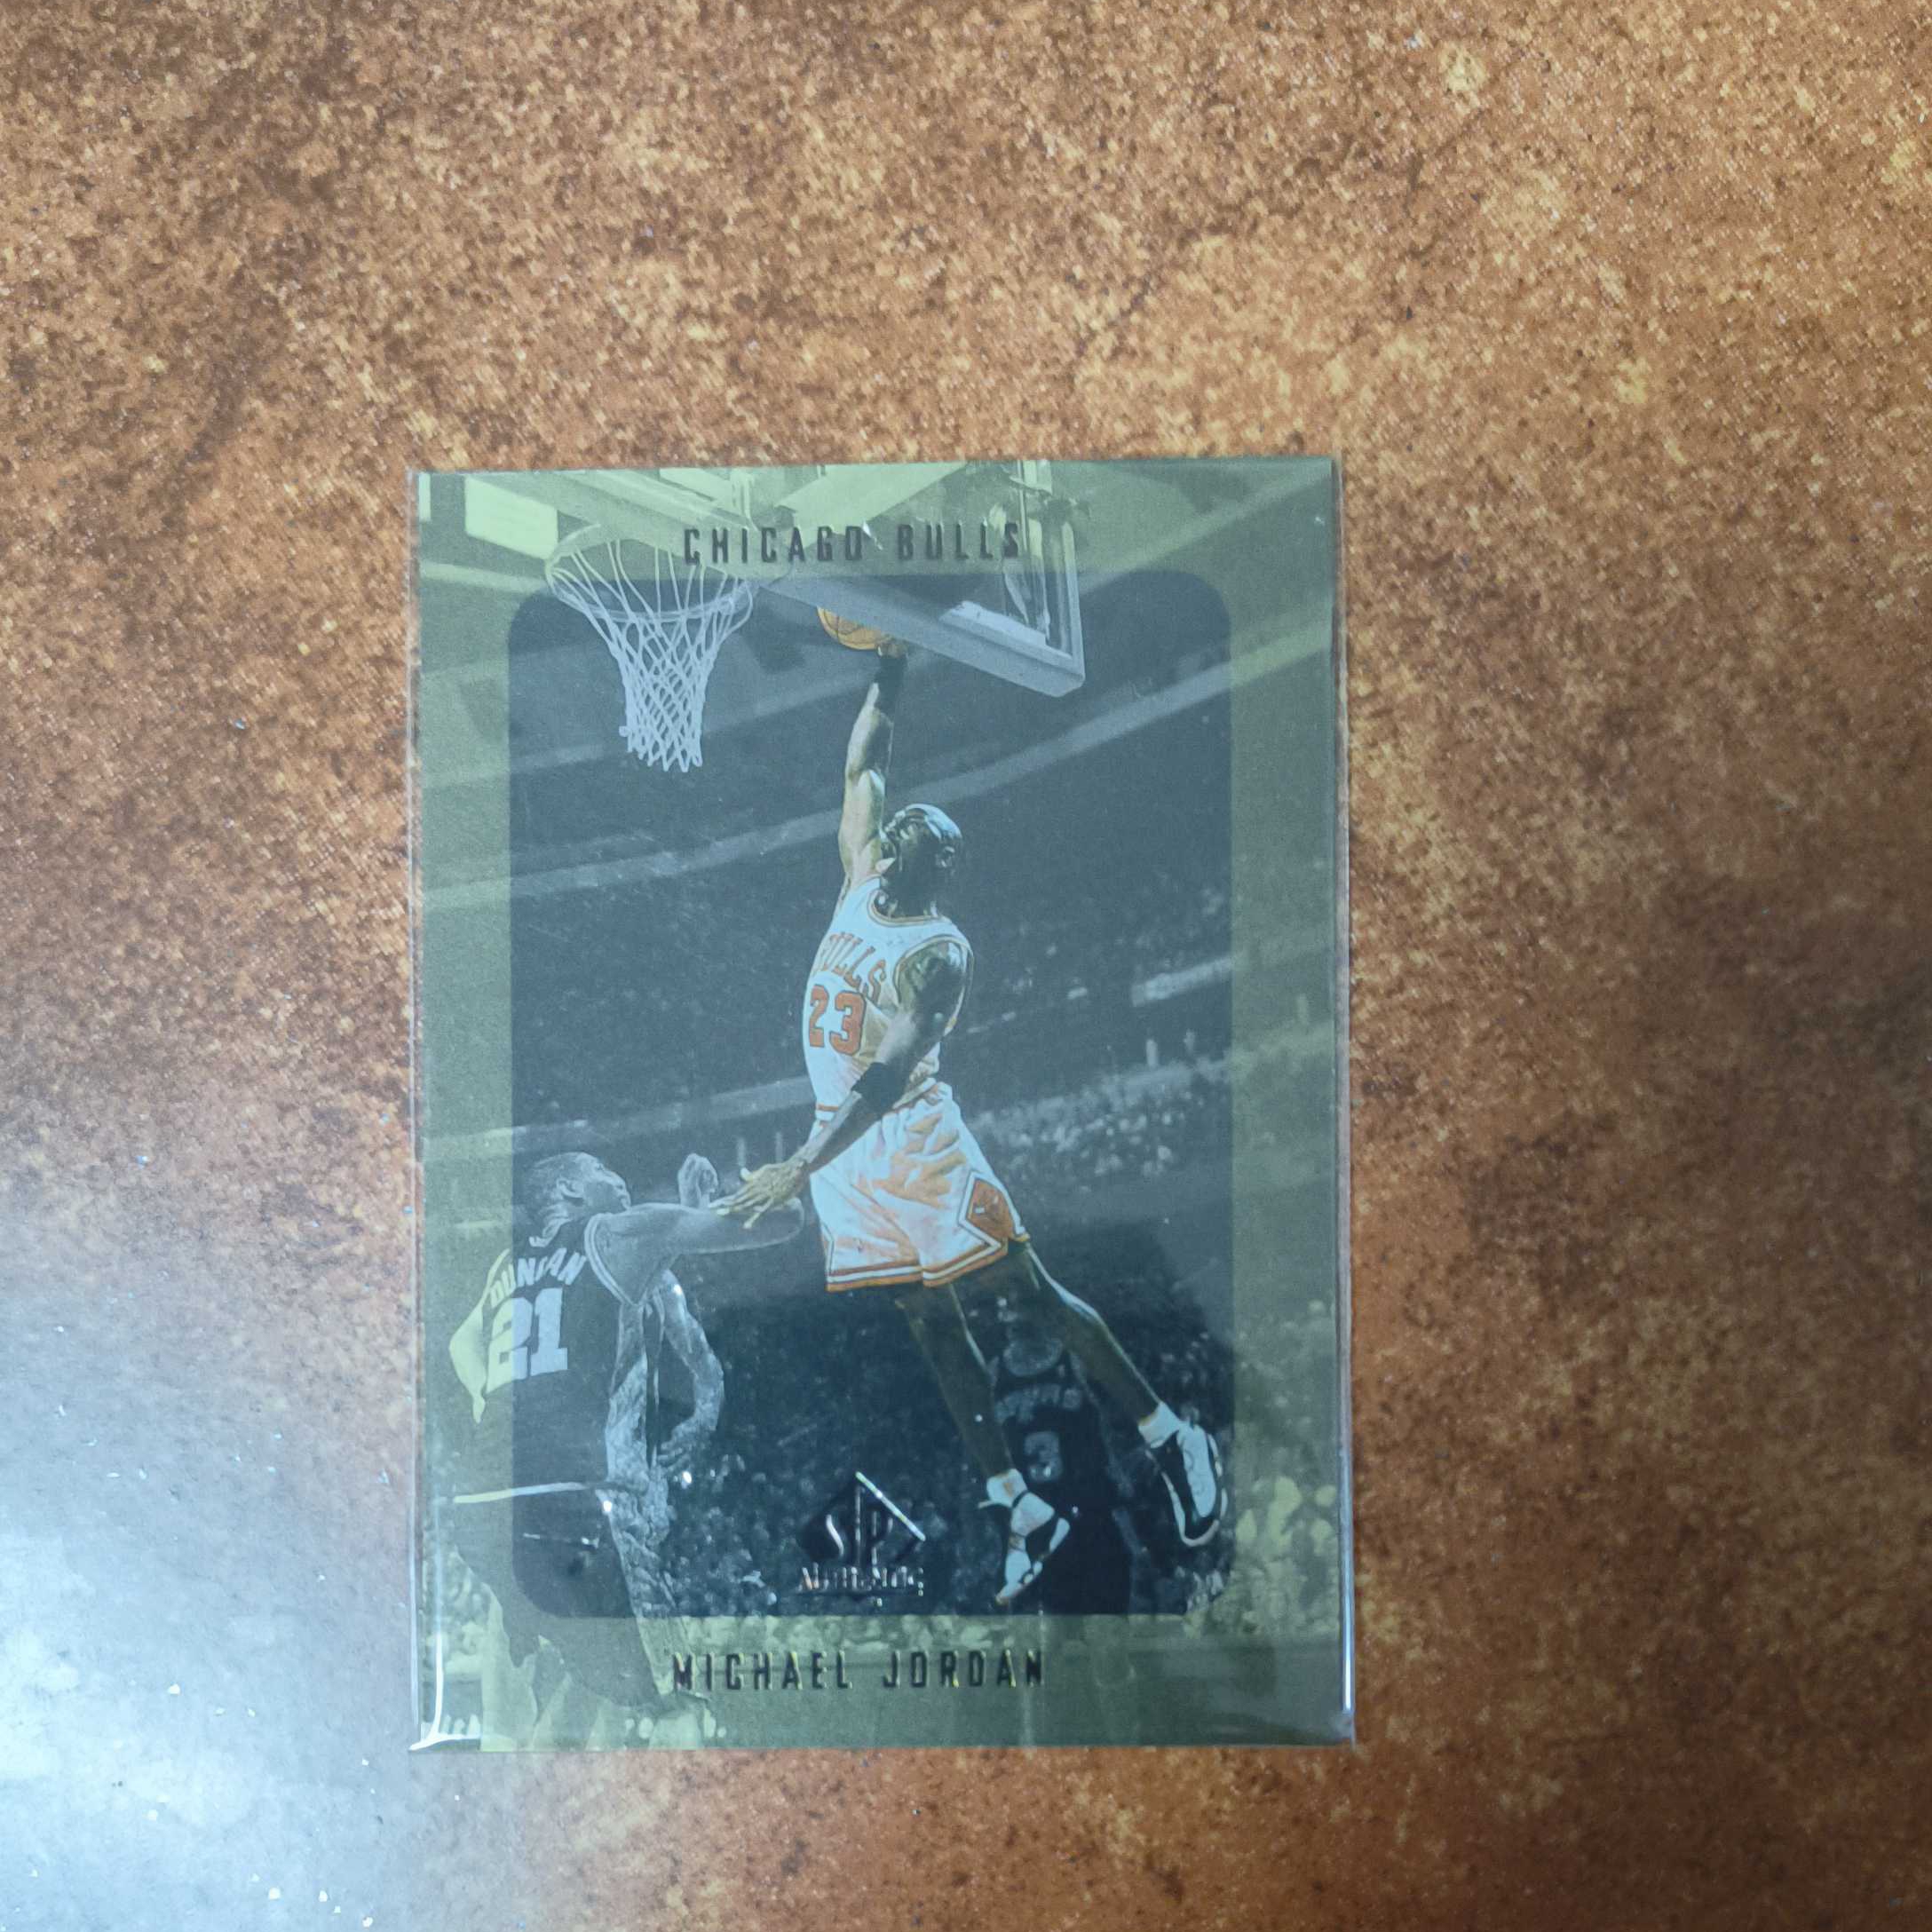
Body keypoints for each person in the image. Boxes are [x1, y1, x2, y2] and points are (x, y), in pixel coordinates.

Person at [718, 625, 1224, 1607]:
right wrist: (891, 667)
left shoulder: (940, 954)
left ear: (937, 866)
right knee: (928, 1322)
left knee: (1029, 1295)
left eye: (918, 834)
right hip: (844, 1151)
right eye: (901, 823)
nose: (899, 828)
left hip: (908, 1138)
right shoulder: (860, 874)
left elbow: (883, 1079)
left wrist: (796, 1165)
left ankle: (1172, 1436)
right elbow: (865, 764)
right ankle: (1016, 1508)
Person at [447, 1149, 802, 1739]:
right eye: (604, 1171)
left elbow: (462, 1344)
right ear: (571, 1190)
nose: (621, 1179)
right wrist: (775, 1184)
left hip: (483, 1508)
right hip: (574, 1502)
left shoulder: (507, 1265)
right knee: (673, 1698)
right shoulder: (617, 1232)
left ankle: (516, 1784)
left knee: (579, 1688)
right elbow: (778, 1223)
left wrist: (490, 1403)